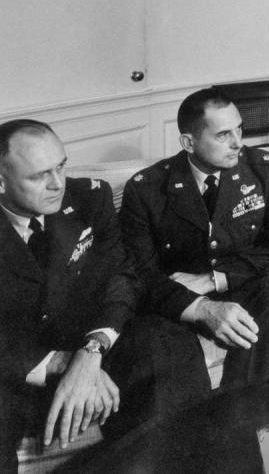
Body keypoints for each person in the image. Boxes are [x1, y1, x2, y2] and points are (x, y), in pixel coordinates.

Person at [0, 120, 206, 470]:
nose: (57, 184)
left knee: (167, 341)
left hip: (89, 346)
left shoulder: (90, 197)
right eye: (39, 176)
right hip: (16, 368)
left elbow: (121, 278)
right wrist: (64, 364)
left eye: (61, 166)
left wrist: (92, 350)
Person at [119, 87, 269, 387]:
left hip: (243, 283)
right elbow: (140, 272)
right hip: (181, 297)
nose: (238, 143)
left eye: (239, 129)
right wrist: (196, 304)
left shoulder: (263, 168)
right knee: (156, 335)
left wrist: (215, 279)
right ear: (189, 142)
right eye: (223, 134)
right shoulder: (146, 188)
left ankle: (254, 408)